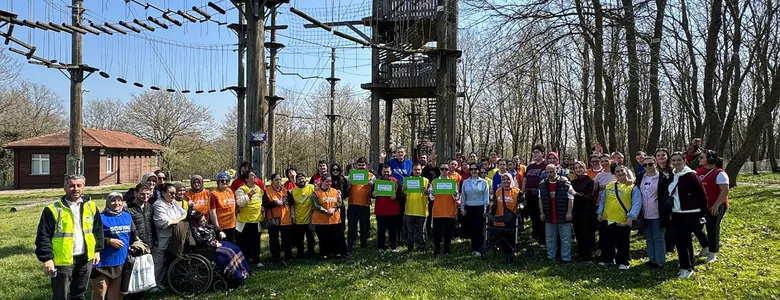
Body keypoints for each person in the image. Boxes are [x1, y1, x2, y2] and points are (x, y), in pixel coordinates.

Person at [35, 175, 104, 300]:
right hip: (62, 261)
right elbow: (43, 236)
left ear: (84, 187)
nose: (75, 188)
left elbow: (98, 230)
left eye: (79, 185)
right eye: (71, 185)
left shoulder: (91, 207)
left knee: (79, 294)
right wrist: (47, 259)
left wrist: (97, 250)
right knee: (60, 296)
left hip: (85, 258)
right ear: (64, 188)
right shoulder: (53, 210)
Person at [668, 152, 708, 278]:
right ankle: (684, 265)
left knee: (685, 241)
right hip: (677, 213)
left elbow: (701, 194)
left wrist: (702, 212)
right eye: (673, 160)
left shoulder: (691, 175)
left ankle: (688, 267)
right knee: (680, 241)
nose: (676, 162)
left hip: (691, 213)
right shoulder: (672, 175)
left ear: (684, 161)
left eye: (679, 160)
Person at [92, 192, 135, 300]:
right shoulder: (101, 218)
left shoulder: (127, 217)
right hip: (103, 263)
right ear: (107, 202)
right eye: (113, 200)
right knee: (100, 293)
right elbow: (92, 237)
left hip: (121, 262)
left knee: (115, 296)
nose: (117, 203)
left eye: (119, 200)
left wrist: (135, 246)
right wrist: (109, 241)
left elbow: (134, 235)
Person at [596, 164, 641, 270]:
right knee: (607, 241)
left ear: (626, 172)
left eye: (622, 170)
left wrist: (631, 217)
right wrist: (600, 212)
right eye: (617, 171)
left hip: (623, 219)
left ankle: (624, 261)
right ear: (614, 174)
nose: (620, 173)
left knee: (622, 242)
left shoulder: (633, 187)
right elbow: (603, 200)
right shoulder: (609, 185)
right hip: (607, 217)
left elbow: (637, 203)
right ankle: (607, 259)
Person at [693, 150, 730, 264]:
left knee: (712, 228)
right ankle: (705, 246)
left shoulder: (719, 173)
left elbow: (725, 190)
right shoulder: (698, 171)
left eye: (702, 157)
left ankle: (712, 253)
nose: (699, 159)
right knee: (696, 227)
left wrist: (716, 205)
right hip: (701, 206)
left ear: (710, 159)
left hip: (716, 205)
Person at [637, 156, 671, 269]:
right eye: (645, 165)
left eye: (650, 164)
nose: (647, 167)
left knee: (658, 238)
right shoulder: (640, 177)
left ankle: (660, 261)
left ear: (655, 163)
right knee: (648, 238)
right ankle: (652, 259)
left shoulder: (663, 177)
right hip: (644, 212)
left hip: (658, 212)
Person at [152, 183, 187, 289]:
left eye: (175, 193)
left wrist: (177, 220)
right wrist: (177, 220)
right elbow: (164, 222)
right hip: (162, 238)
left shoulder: (174, 202)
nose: (173, 195)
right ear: (163, 193)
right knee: (158, 262)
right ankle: (152, 285)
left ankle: (159, 282)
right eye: (171, 193)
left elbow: (184, 213)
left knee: (166, 262)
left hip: (173, 237)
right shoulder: (158, 205)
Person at [539, 164, 576, 263]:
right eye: (547, 172)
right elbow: (540, 200)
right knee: (550, 238)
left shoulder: (566, 183)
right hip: (549, 215)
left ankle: (566, 258)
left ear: (557, 171)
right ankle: (551, 257)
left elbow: (571, 198)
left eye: (551, 172)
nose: (549, 174)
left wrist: (569, 213)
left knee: (565, 238)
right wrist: (541, 212)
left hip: (563, 215)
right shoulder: (542, 185)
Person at [311, 174, 347, 258]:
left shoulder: (336, 191)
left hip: (334, 219)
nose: (329, 183)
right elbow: (316, 205)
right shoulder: (315, 193)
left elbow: (340, 202)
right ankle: (324, 254)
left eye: (330, 181)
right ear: (322, 182)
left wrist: (333, 209)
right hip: (320, 220)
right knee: (323, 238)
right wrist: (326, 211)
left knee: (336, 237)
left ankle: (337, 253)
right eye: (326, 181)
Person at [491, 173, 524, 263]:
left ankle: (511, 252)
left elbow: (523, 202)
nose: (506, 181)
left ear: (511, 180)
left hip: (511, 219)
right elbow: (494, 202)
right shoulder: (498, 191)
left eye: (508, 179)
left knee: (511, 236)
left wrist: (521, 206)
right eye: (504, 179)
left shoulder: (517, 191)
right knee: (501, 236)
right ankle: (506, 251)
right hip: (499, 218)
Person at [234, 170, 265, 267]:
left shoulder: (259, 189)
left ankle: (257, 260)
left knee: (256, 241)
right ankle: (244, 261)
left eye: (255, 175)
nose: (255, 177)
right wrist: (249, 194)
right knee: (244, 243)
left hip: (256, 220)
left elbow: (261, 200)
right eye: (252, 176)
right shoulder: (241, 190)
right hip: (244, 221)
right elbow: (240, 203)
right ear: (247, 179)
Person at [429, 163, 460, 255]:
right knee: (437, 234)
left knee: (448, 233)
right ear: (439, 170)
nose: (444, 171)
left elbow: (457, 197)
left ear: (448, 170)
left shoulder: (453, 182)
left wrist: (455, 194)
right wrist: (433, 194)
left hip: (449, 211)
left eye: (446, 169)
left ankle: (447, 251)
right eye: (442, 169)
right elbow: (431, 198)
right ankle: (437, 250)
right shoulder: (434, 182)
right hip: (437, 211)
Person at [263, 173, 294, 262]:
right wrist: (275, 203)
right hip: (273, 219)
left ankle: (288, 257)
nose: (278, 181)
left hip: (285, 218)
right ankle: (276, 258)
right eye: (276, 180)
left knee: (287, 239)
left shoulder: (285, 190)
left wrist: (286, 200)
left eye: (280, 179)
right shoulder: (267, 191)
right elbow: (265, 205)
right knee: (274, 239)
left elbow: (292, 201)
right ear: (272, 181)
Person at [460, 164, 490, 256]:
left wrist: (485, 210)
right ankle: (474, 248)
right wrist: (462, 207)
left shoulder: (484, 182)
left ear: (479, 170)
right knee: (472, 229)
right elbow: (463, 196)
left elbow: (486, 197)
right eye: (471, 169)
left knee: (479, 229)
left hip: (480, 207)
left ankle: (480, 249)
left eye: (475, 169)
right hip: (469, 207)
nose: (473, 171)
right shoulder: (465, 182)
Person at [571, 160, 597, 260]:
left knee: (587, 232)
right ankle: (581, 252)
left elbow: (589, 197)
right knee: (578, 232)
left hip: (587, 211)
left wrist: (576, 194)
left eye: (580, 167)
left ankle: (589, 254)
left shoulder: (590, 181)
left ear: (584, 169)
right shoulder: (572, 182)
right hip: (576, 210)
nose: (578, 170)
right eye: (576, 168)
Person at [347, 157, 374, 251]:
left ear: (366, 166)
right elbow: (347, 183)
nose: (361, 167)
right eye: (359, 165)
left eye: (363, 165)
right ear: (356, 165)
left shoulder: (371, 175)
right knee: (352, 225)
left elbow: (377, 185)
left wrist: (372, 183)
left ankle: (364, 241)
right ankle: (351, 241)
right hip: (353, 203)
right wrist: (348, 183)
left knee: (364, 225)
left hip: (364, 204)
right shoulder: (352, 174)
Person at [373, 165, 402, 254]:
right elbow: (371, 194)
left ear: (391, 172)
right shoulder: (377, 182)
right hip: (381, 210)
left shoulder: (396, 181)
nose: (386, 173)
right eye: (384, 171)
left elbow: (401, 195)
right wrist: (373, 194)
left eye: (388, 171)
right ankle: (381, 247)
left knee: (393, 230)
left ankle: (393, 246)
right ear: (381, 172)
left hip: (393, 210)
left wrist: (396, 196)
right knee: (381, 230)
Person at [523, 144, 547, 246]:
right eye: (533, 152)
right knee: (533, 217)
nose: (534, 154)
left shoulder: (545, 165)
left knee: (541, 217)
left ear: (542, 154)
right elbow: (525, 179)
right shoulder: (530, 166)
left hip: (539, 195)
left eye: (537, 152)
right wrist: (522, 192)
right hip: (529, 194)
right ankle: (534, 236)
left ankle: (543, 239)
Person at [403, 163, 430, 251]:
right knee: (410, 231)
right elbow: (402, 195)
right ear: (412, 170)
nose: (417, 171)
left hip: (422, 210)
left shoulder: (426, 181)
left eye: (418, 169)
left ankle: (421, 247)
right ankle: (410, 248)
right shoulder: (407, 180)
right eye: (415, 169)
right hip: (409, 210)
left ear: (421, 170)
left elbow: (430, 195)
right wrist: (403, 190)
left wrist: (426, 192)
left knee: (421, 231)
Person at [655, 148, 676, 253]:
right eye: (658, 155)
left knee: (670, 222)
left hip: (669, 199)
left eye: (663, 155)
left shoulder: (672, 170)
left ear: (667, 157)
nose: (661, 157)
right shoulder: (655, 171)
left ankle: (670, 245)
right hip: (657, 199)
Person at [290, 172, 316, 259]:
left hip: (310, 218)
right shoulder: (293, 191)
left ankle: (311, 254)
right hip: (299, 219)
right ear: (296, 181)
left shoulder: (312, 188)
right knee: (299, 239)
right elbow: (292, 205)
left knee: (310, 238)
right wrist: (292, 216)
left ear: (305, 179)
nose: (301, 180)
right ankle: (300, 254)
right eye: (299, 179)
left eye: (302, 178)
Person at [125, 184, 154, 251]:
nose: (145, 196)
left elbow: (152, 226)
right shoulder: (128, 209)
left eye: (148, 194)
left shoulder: (149, 207)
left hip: (149, 245)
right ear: (135, 193)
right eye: (142, 194)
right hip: (135, 246)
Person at [210, 173, 238, 243]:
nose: (225, 182)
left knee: (233, 246)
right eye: (222, 181)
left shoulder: (230, 191)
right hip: (221, 226)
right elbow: (212, 212)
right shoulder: (214, 194)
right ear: (218, 182)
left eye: (227, 181)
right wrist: (218, 228)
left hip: (232, 225)